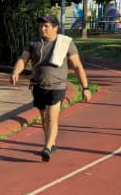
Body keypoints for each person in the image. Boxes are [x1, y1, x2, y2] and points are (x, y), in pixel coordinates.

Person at [11, 14, 90, 162]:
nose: (42, 28)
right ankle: (51, 143)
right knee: (44, 118)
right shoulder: (33, 43)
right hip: (38, 85)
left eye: (46, 26)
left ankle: (47, 147)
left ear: (55, 27)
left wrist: (85, 87)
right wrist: (16, 71)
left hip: (57, 86)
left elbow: (77, 65)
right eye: (41, 25)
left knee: (52, 117)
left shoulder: (65, 43)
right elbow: (23, 59)